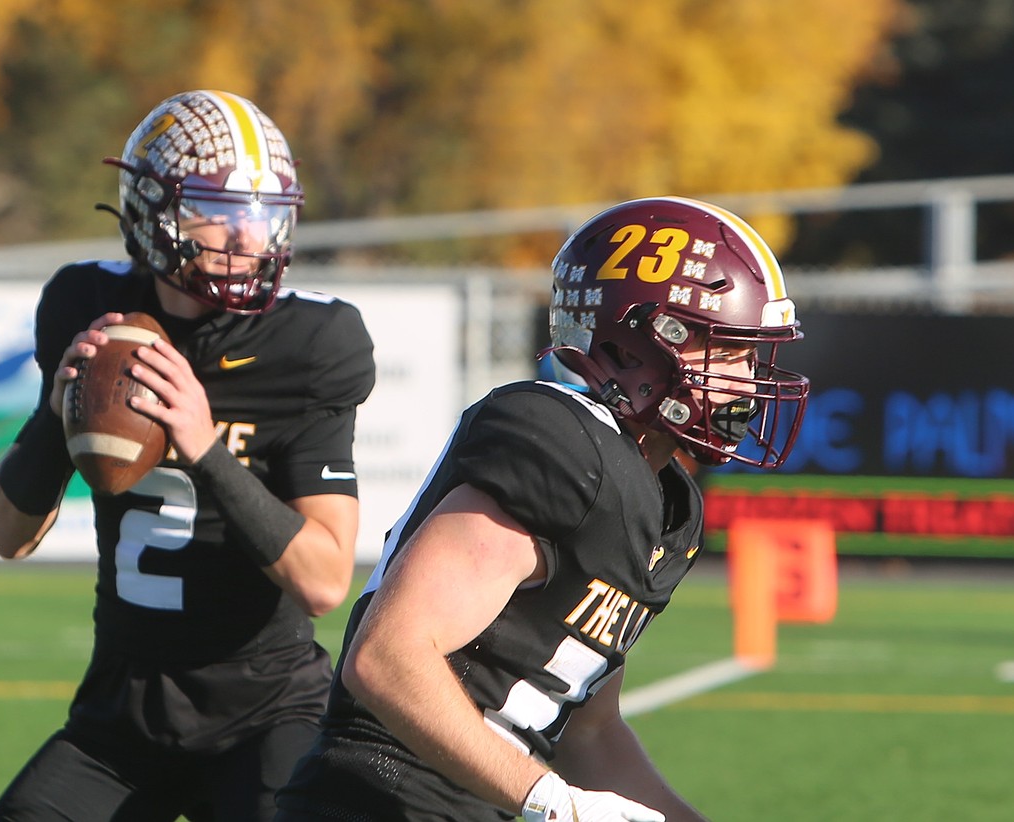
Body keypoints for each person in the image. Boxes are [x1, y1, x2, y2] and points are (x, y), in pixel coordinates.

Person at [276, 197, 810, 822]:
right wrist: (551, 800)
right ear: (641, 342)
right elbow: (387, 658)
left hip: (486, 804)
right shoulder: (562, 444)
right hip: (382, 799)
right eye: (728, 351)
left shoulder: (671, 505)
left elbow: (590, 732)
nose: (746, 381)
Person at [0, 90, 375, 821]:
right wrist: (57, 409)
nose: (246, 237)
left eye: (262, 215)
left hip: (265, 712)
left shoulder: (310, 344)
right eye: (217, 211)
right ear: (150, 212)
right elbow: (6, 534)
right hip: (122, 712)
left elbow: (325, 581)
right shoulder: (88, 307)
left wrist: (203, 446)